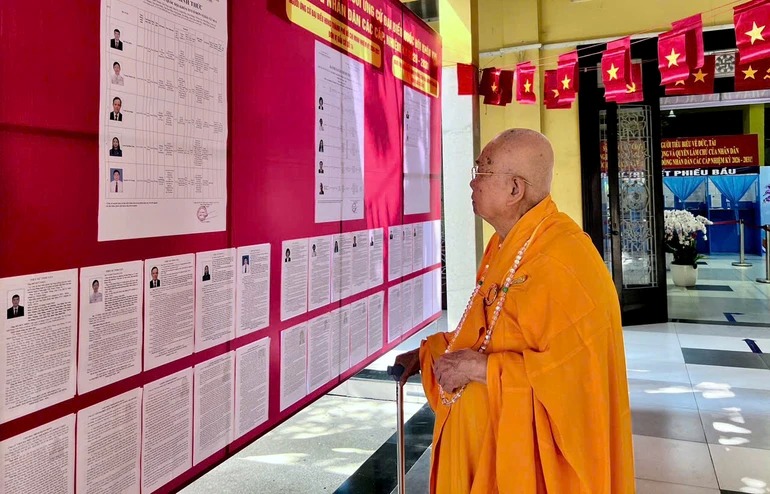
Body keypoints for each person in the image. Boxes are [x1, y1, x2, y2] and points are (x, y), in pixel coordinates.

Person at [392, 128, 634, 493]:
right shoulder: (503, 244)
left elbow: (578, 382)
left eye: (482, 171)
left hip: (523, 464)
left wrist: (480, 368)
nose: (472, 184)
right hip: (485, 444)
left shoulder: (564, 260)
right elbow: (491, 332)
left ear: (515, 189)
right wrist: (431, 351)